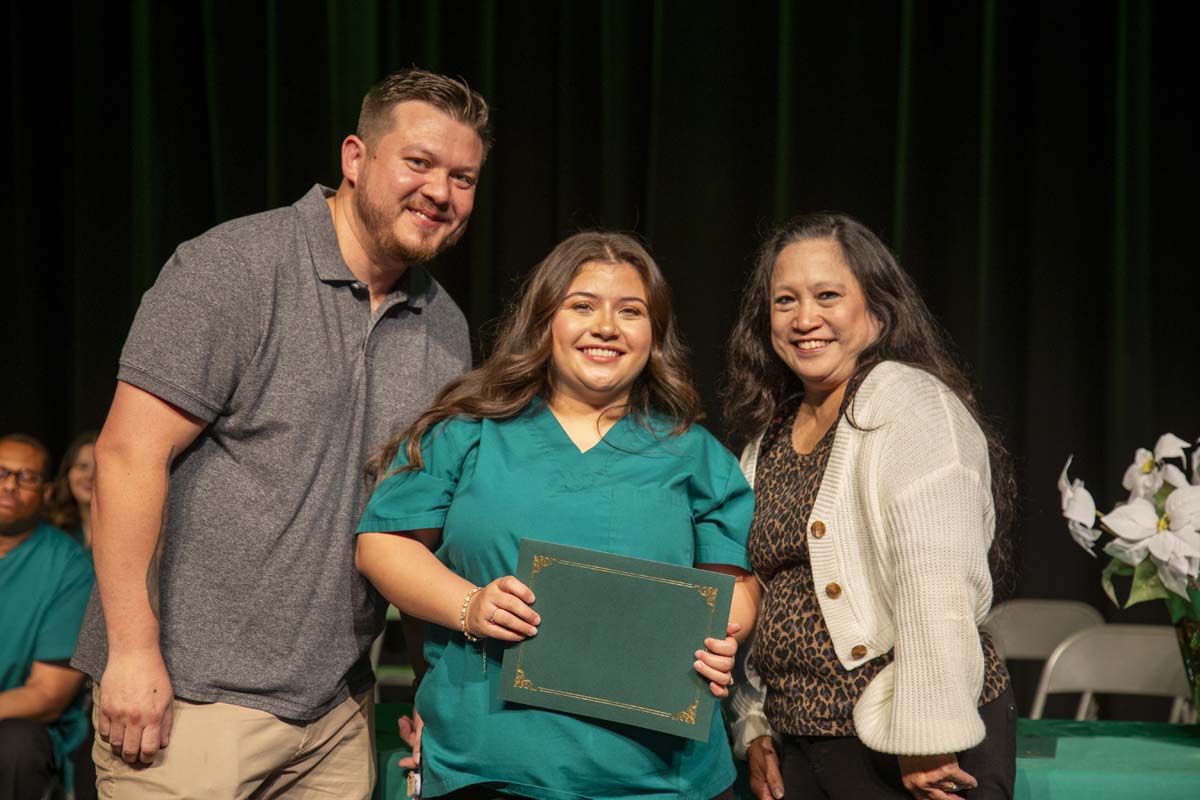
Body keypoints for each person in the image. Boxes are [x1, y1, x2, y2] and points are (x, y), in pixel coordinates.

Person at [69, 68, 490, 798]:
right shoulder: (234, 267)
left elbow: (423, 524)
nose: (441, 192)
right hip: (188, 700)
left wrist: (428, 686)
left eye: (463, 177)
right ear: (355, 159)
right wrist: (134, 654)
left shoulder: (446, 329)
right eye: (418, 162)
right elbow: (127, 454)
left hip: (336, 717)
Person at [355, 231, 760, 799]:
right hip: (488, 763)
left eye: (630, 311)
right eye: (582, 306)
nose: (606, 327)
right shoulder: (466, 433)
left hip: (658, 776)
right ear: (544, 321)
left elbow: (733, 585)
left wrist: (724, 639)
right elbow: (383, 544)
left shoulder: (697, 458)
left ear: (655, 335)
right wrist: (469, 605)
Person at [723, 213, 1017, 800]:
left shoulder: (912, 407)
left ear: (877, 311)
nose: (805, 319)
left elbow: (937, 580)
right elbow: (755, 592)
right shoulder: (769, 438)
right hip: (799, 743)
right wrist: (752, 723)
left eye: (827, 295)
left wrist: (928, 734)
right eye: (785, 301)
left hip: (901, 745)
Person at [1, 433, 95, 800]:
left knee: (15, 745)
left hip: (20, 720)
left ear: (47, 491)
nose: (10, 484)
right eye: (2, 472)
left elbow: (48, 695)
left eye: (27, 476)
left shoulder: (68, 565)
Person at [46, 430, 98, 550]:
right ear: (67, 474)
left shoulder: (131, 529)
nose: (90, 475)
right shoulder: (53, 528)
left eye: (100, 467)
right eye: (82, 466)